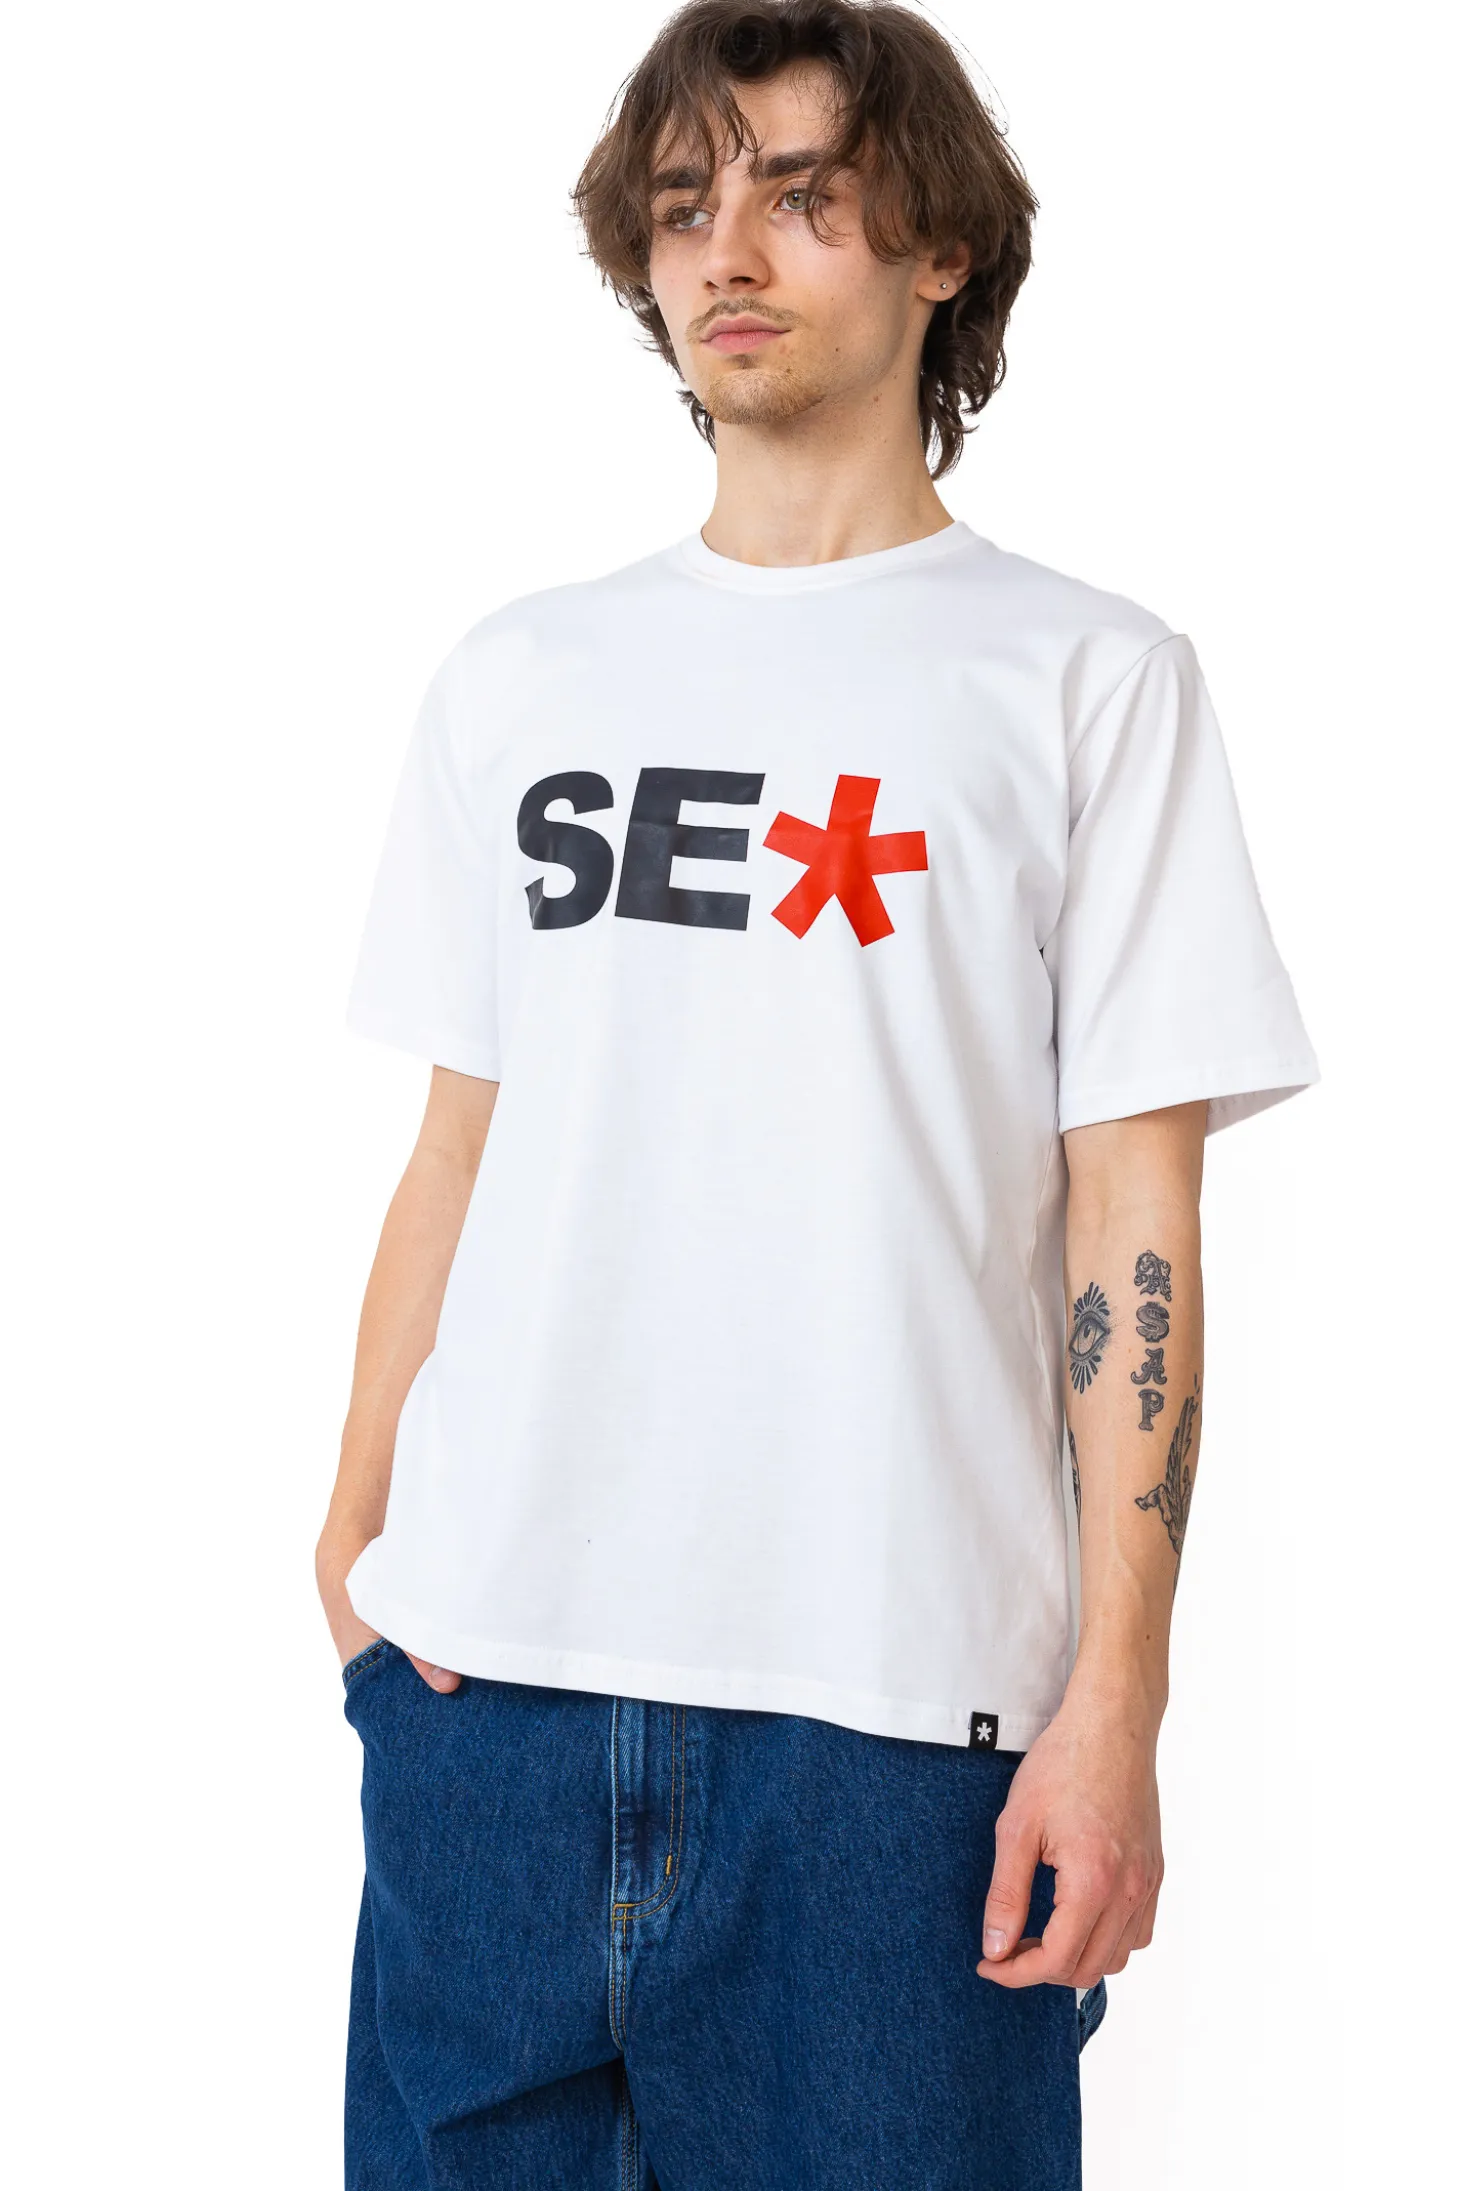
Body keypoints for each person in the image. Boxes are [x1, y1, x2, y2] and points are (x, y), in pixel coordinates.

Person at [315, 3, 1320, 2183]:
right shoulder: (522, 674)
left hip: (891, 1739)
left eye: (802, 192)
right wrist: (359, 1542)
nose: (728, 251)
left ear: (942, 246)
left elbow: (1132, 1214)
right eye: (684, 205)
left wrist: (1119, 1700)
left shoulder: (1085, 679)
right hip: (489, 1706)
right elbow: (463, 1139)